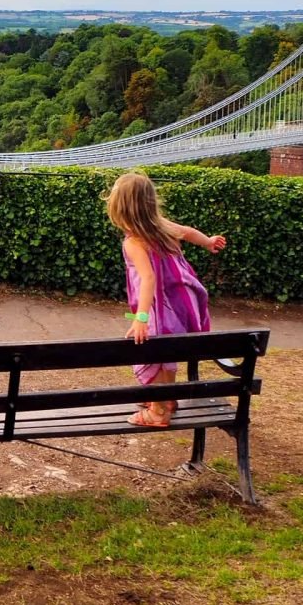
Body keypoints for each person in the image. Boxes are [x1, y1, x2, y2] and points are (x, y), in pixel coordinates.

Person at [104, 172, 225, 428]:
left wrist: (141, 317)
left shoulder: (134, 242)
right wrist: (209, 242)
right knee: (169, 351)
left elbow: (148, 279)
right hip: (183, 302)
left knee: (152, 352)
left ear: (118, 208)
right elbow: (188, 232)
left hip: (160, 307)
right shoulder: (161, 226)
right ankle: (167, 398)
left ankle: (158, 411)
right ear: (150, 202)